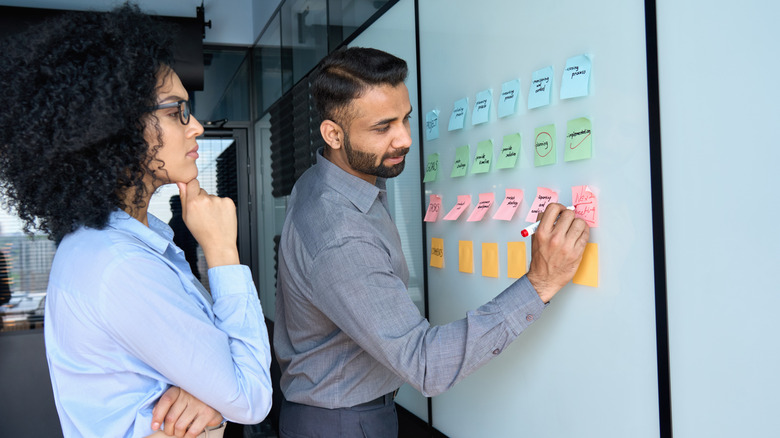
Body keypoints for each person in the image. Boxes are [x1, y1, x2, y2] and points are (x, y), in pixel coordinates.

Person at [273, 47, 590, 437]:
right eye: (382, 127)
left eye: (405, 118)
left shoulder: (326, 180)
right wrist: (539, 283)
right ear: (333, 134)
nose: (404, 138)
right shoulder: (340, 232)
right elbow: (426, 365)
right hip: (342, 423)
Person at [0, 5, 272, 438]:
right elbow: (251, 396)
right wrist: (222, 250)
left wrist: (209, 391)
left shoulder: (129, 242)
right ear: (116, 126)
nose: (197, 126)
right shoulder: (118, 266)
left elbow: (214, 367)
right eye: (176, 110)